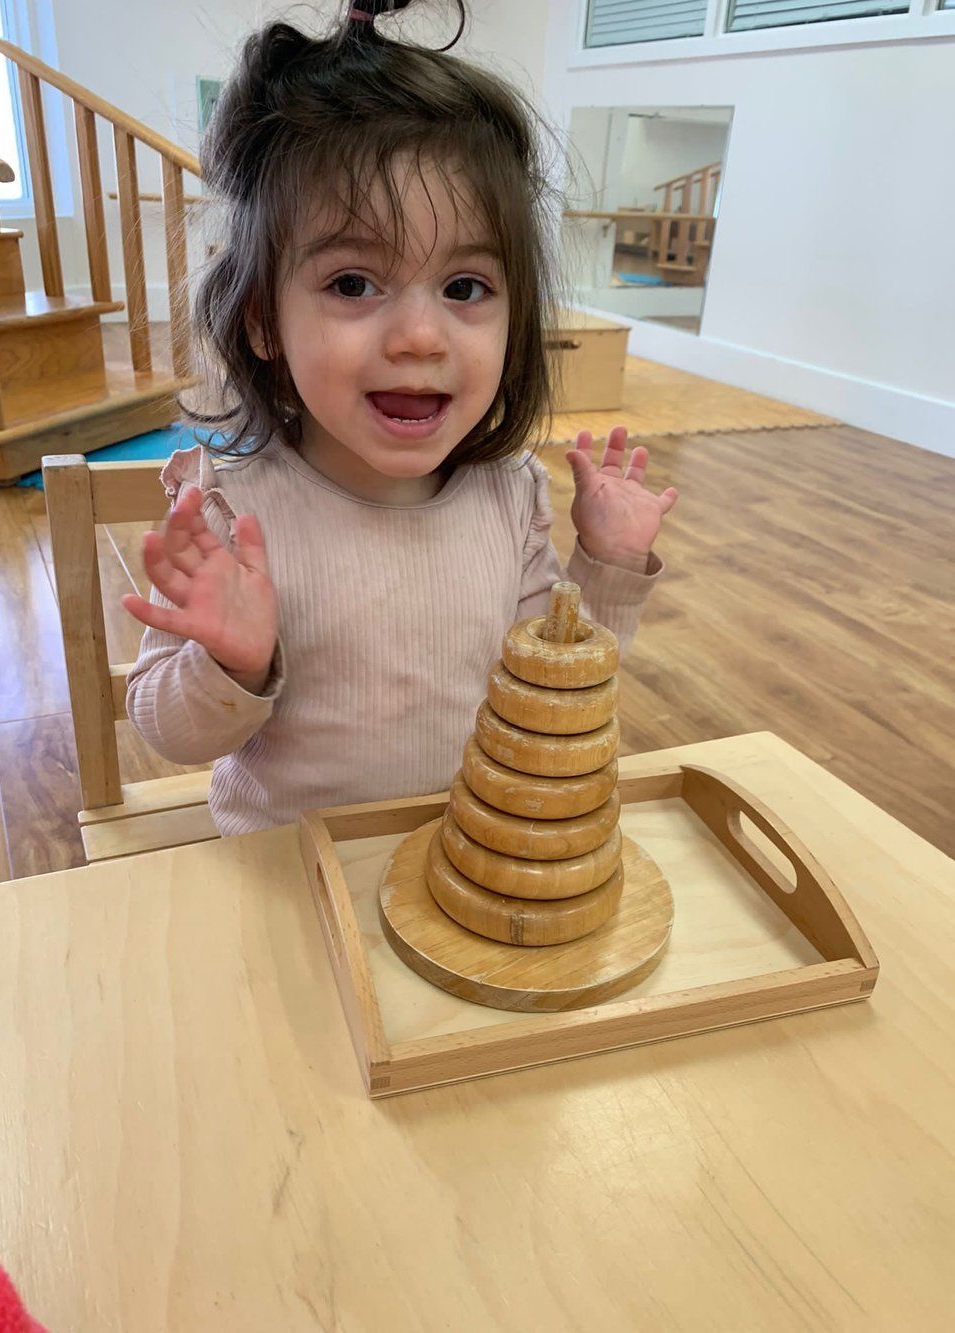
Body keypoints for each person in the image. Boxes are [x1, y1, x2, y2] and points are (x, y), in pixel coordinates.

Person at [123, 0, 678, 837]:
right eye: (353, 283)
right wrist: (233, 661)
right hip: (284, 874)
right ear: (262, 320)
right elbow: (167, 732)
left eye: (465, 288)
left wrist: (604, 567)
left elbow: (555, 680)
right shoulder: (233, 507)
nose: (420, 337)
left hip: (464, 857)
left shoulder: (507, 494)